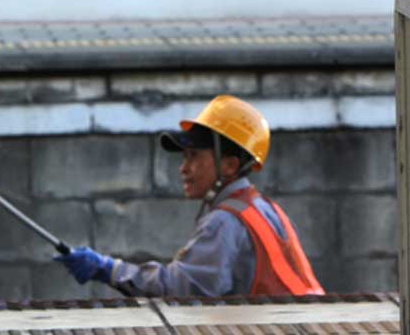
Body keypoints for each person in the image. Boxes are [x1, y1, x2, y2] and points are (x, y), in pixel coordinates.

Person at [55, 95, 323, 297]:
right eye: (184, 157)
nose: (183, 168)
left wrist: (108, 269)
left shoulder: (224, 221)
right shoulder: (265, 209)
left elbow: (179, 288)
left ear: (229, 165)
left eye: (194, 156)